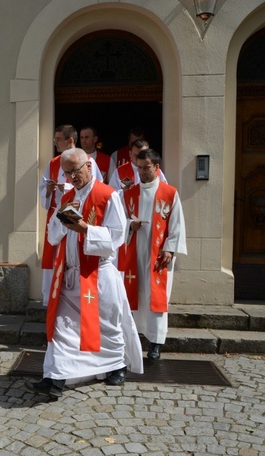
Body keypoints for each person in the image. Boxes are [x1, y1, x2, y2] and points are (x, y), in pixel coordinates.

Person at [26, 149, 143, 399]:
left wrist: (84, 228)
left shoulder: (108, 195)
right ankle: (54, 378)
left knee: (106, 326)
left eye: (75, 171)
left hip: (97, 274)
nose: (71, 177)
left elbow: (116, 237)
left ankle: (117, 365)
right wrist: (62, 218)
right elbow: (53, 234)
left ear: (89, 166)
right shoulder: (68, 195)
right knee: (61, 328)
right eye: (67, 172)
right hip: (70, 276)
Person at [120, 149, 186, 362]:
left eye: (146, 168)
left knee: (157, 298)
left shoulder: (169, 193)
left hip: (158, 255)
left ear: (157, 167)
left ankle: (156, 343)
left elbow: (177, 224)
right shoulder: (129, 193)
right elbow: (119, 222)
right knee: (137, 294)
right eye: (139, 168)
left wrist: (170, 248)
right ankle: (137, 338)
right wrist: (131, 225)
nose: (142, 172)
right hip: (135, 253)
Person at [39, 125, 103, 306]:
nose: (55, 143)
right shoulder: (52, 163)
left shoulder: (87, 161)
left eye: (58, 139)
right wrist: (49, 190)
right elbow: (42, 189)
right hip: (57, 216)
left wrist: (66, 188)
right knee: (55, 254)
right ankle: (52, 296)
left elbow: (96, 186)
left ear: (70, 140)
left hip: (83, 214)